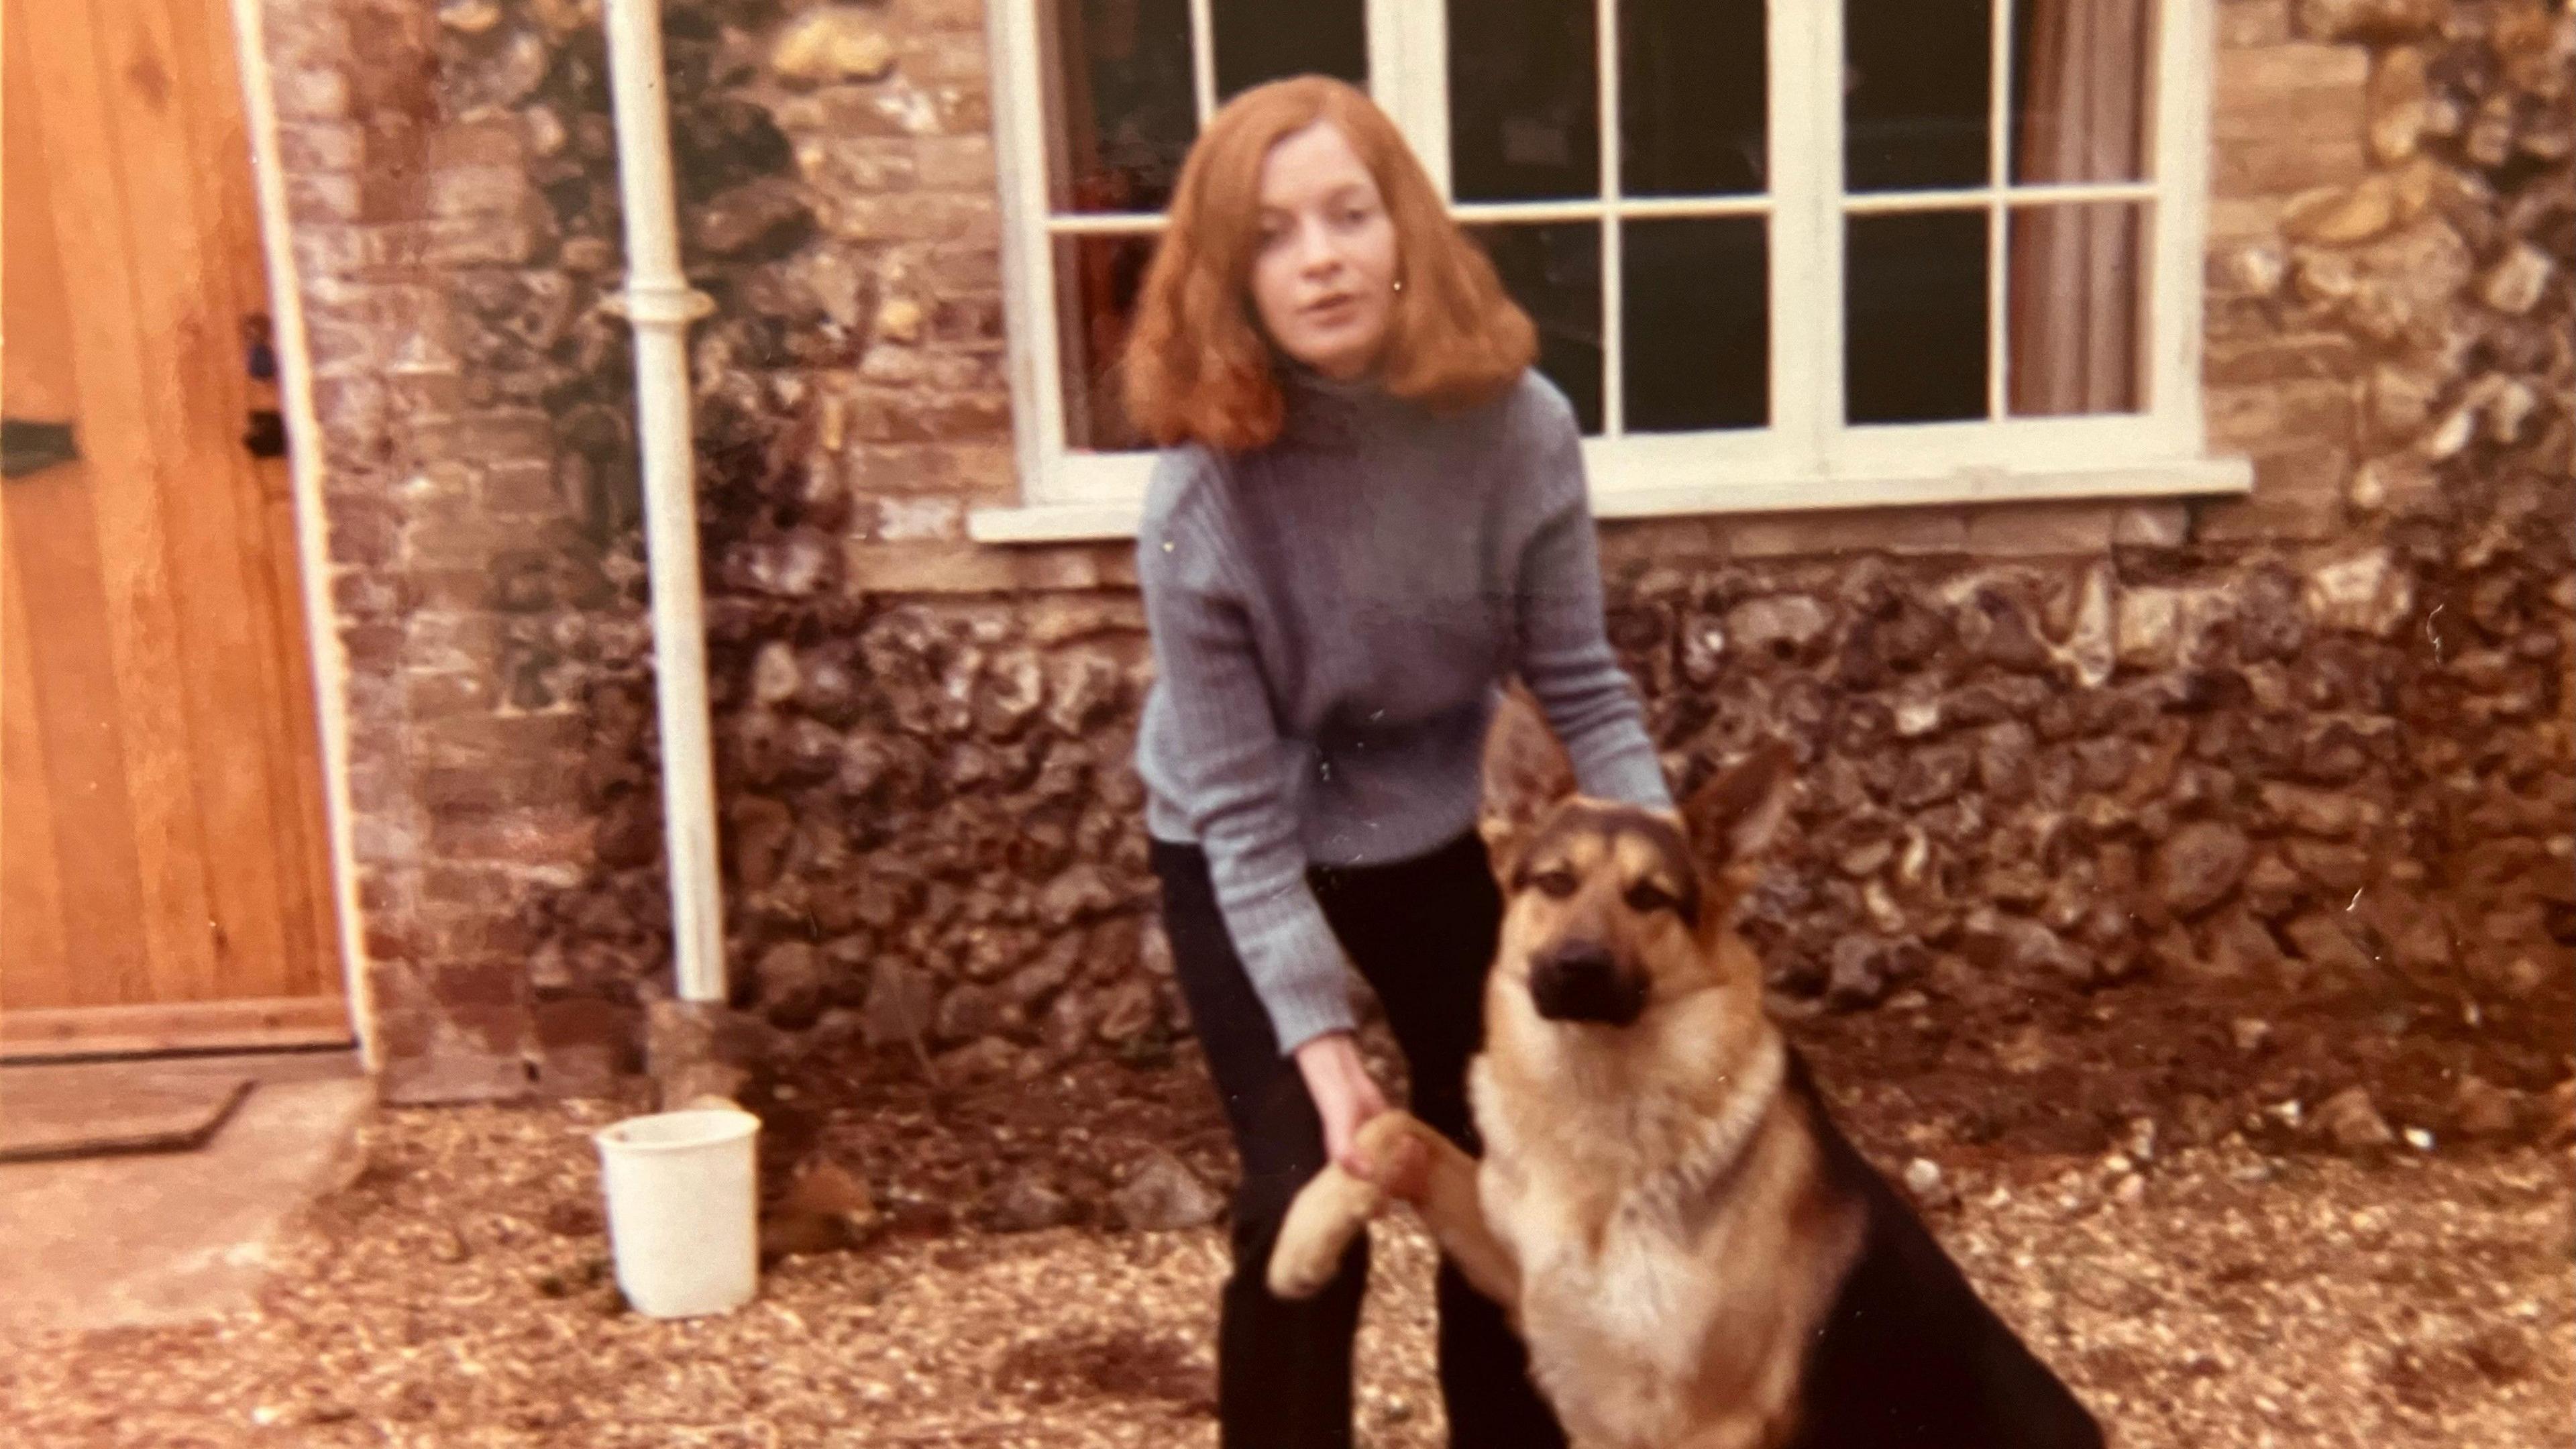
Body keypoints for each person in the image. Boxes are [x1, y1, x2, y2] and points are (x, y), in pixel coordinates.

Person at [1125, 76, 1674, 1449]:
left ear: (1404, 230)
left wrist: (1674, 883)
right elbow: (1248, 832)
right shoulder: (1201, 500)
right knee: (1304, 1180)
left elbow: (1583, 686)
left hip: (1433, 814)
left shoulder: (1518, 427)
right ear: (1227, 277)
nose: (1318, 256)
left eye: (1347, 215)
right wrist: (1323, 1052)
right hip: (1238, 834)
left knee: (1503, 1168)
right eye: (1271, 234)